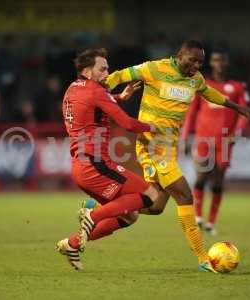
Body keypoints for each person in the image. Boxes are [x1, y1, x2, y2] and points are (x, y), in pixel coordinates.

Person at [106, 40, 250, 270]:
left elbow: (209, 93)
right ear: (179, 55)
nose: (196, 65)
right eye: (192, 60)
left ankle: (103, 204)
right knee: (185, 195)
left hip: (168, 148)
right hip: (153, 145)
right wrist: (97, 91)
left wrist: (234, 106)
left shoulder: (196, 79)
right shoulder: (154, 68)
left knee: (155, 206)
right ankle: (204, 258)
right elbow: (119, 75)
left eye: (200, 62)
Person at [56, 48, 163, 271]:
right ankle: (92, 214)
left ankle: (73, 243)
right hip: (96, 165)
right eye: (102, 68)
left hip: (80, 168)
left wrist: (118, 97)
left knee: (130, 216)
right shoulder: (96, 92)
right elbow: (128, 124)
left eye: (107, 67)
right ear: (87, 70)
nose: (107, 72)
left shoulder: (73, 88)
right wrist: (154, 127)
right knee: (151, 195)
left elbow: (90, 103)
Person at [181, 49, 250, 234]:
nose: (218, 63)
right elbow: (191, 112)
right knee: (201, 177)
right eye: (215, 60)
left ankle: (211, 223)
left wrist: (237, 133)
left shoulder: (237, 87)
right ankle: (197, 217)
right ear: (211, 63)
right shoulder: (202, 84)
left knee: (218, 182)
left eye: (221, 60)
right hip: (204, 138)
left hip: (225, 140)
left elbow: (245, 112)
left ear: (226, 63)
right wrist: (186, 136)